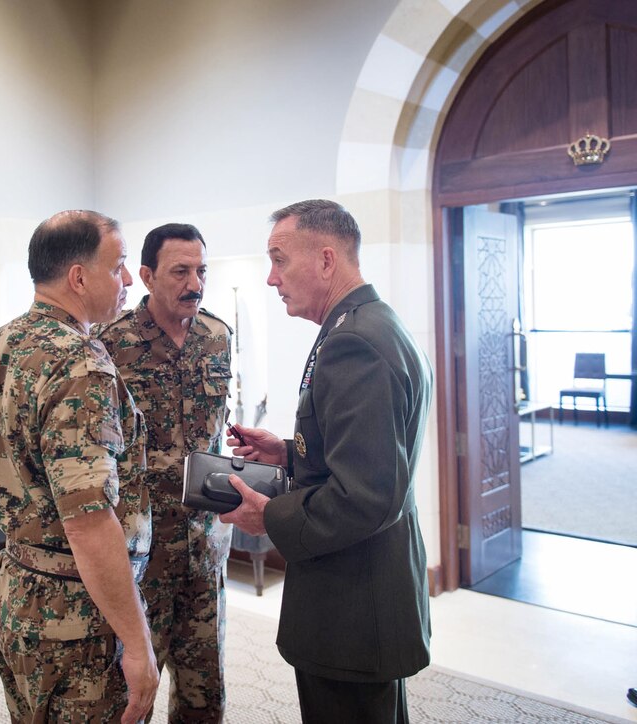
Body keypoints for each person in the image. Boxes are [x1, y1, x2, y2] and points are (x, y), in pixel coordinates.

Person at [220, 199, 433, 723]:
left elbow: (364, 497)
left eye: (279, 259)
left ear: (325, 259)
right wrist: (288, 452)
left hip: (353, 604)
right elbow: (371, 455)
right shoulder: (367, 322)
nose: (271, 278)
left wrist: (267, 516)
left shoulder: (355, 343)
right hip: (365, 587)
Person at [0, 210, 158, 723]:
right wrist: (137, 646)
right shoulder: (81, 363)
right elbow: (89, 521)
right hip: (77, 622)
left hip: (17, 593)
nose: (129, 279)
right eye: (117, 266)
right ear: (78, 277)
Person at [98, 223, 233, 722]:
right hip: (142, 560)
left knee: (206, 697)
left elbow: (214, 437)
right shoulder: (111, 345)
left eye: (201, 271)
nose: (195, 283)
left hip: (204, 549)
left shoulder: (217, 337)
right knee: (132, 698)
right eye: (180, 272)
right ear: (148, 276)